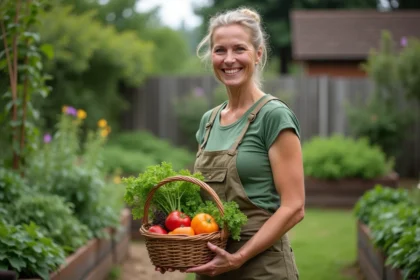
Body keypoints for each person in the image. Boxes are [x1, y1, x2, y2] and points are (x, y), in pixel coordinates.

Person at [157, 7, 305, 279]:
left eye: (239, 49)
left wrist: (238, 258)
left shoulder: (273, 116)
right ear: (211, 56)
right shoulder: (209, 121)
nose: (229, 59)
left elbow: (294, 207)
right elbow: (204, 202)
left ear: (258, 54)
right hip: (212, 265)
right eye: (220, 50)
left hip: (263, 268)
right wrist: (173, 240)